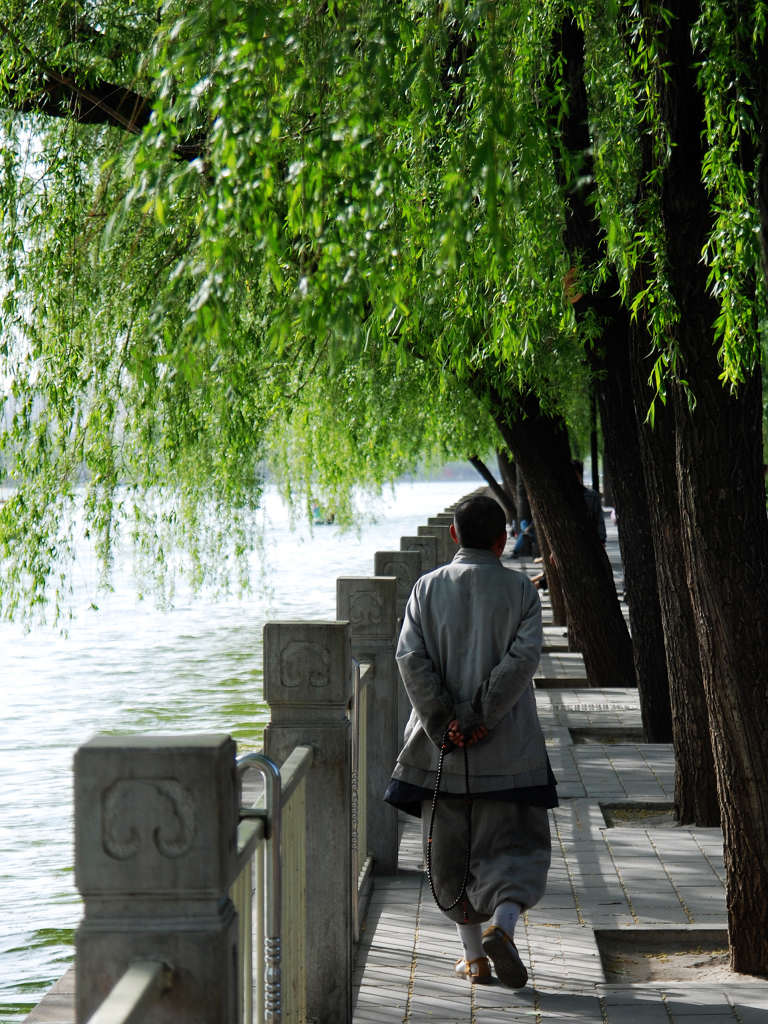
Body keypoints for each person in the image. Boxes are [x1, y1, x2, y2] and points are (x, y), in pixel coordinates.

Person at [384, 494, 556, 988]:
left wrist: (445, 721)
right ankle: (502, 927)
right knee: (516, 847)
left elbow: (409, 659)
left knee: (451, 855)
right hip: (510, 752)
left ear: (453, 536)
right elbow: (523, 660)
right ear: (503, 540)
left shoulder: (425, 588)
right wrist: (482, 714)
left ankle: (473, 959)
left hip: (442, 754)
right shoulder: (521, 590)